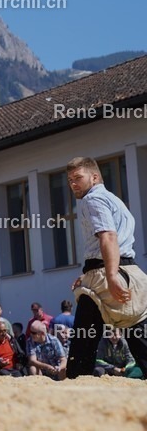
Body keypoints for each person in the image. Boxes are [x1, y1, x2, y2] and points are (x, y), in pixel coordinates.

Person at [66, 157, 147, 379]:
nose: (73, 184)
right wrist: (88, 273)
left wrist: (110, 275)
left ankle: (75, 385)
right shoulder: (114, 200)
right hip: (130, 272)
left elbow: (108, 236)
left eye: (78, 178)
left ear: (94, 177)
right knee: (139, 336)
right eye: (70, 180)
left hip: (107, 272)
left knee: (83, 341)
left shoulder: (92, 199)